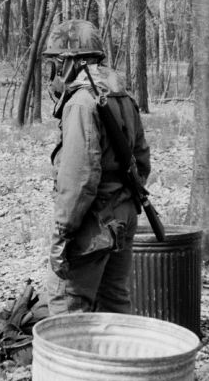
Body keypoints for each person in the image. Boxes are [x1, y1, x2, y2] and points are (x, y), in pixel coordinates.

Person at [42, 18, 152, 315]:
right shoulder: (121, 94)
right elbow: (141, 159)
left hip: (94, 222)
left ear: (70, 62)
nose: (52, 73)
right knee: (114, 306)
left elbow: (79, 179)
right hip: (123, 214)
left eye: (55, 63)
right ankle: (119, 362)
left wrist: (62, 234)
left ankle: (71, 363)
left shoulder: (81, 102)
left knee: (68, 305)